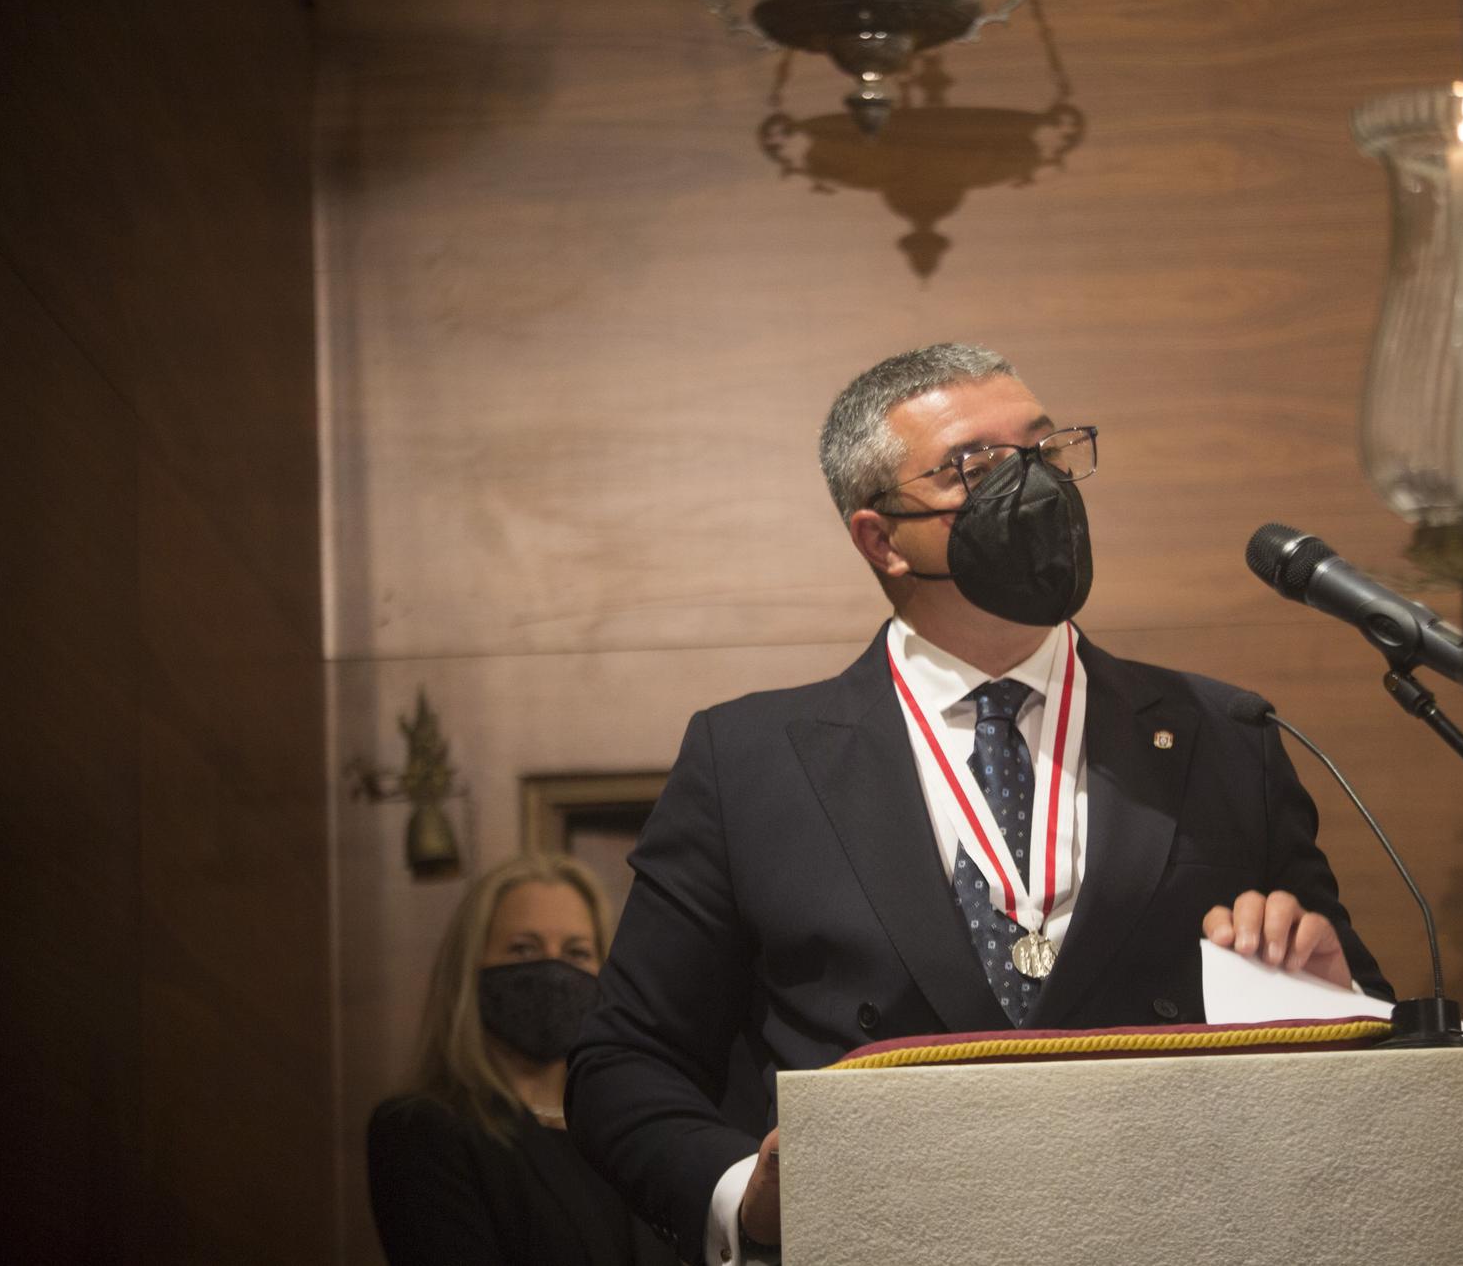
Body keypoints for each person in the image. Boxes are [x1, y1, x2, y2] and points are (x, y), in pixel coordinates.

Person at [568, 343, 1389, 1266]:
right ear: (880, 538)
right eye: (975, 468)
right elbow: (621, 1068)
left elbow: (1375, 1056)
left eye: (1045, 450)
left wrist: (1331, 1005)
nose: (1033, 489)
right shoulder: (749, 762)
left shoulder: (1224, 732)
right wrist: (749, 1203)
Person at [368, 851, 672, 1265]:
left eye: (577, 953)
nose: (552, 969)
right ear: (470, 968)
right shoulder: (422, 1129)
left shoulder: (623, 1134)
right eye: (524, 950)